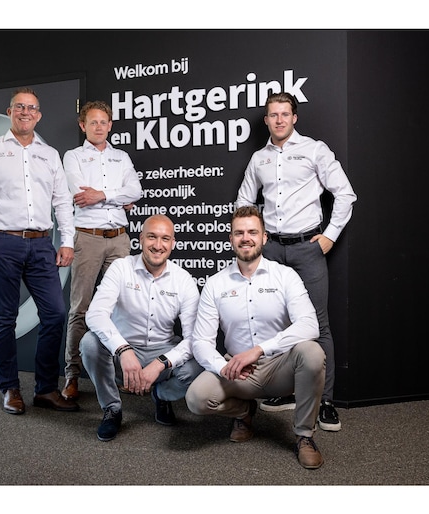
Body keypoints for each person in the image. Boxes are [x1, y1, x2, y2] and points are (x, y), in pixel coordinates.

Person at [235, 92, 356, 431]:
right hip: (272, 249)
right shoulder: (259, 158)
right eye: (273, 115)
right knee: (276, 322)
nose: (279, 120)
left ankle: (325, 401)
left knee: (317, 324)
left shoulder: (314, 150)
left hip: (307, 248)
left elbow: (345, 193)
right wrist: (254, 235)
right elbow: (244, 200)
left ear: (294, 117)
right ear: (266, 120)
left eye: (284, 114)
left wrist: (330, 235)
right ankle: (283, 391)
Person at [0, 86, 79, 415]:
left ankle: (45, 389)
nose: (26, 112)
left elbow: (62, 201)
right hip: (4, 243)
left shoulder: (50, 154)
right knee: (5, 320)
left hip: (42, 244)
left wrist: (67, 241)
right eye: (20, 107)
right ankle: (10, 388)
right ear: (10, 112)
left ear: (39, 115)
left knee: (55, 314)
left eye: (31, 108)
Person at [185, 206, 326, 469]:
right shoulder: (216, 284)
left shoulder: (285, 276)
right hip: (238, 371)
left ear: (264, 237)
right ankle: (245, 412)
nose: (245, 238)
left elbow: (310, 324)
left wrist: (259, 349)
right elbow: (201, 341)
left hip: (280, 367)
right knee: (196, 398)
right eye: (239, 233)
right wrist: (223, 367)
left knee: (312, 352)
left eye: (252, 232)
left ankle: (304, 436)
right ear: (231, 239)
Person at [81, 214, 202, 441]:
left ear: (173, 243)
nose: (158, 245)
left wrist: (161, 363)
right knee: (89, 343)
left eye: (165, 239)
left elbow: (194, 338)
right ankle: (112, 408)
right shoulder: (120, 268)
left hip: (162, 351)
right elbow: (96, 314)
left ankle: (161, 395)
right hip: (123, 354)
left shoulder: (183, 280)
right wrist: (123, 349)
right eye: (152, 237)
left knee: (200, 364)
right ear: (141, 239)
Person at [61, 100, 142, 401]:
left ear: (110, 125)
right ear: (83, 125)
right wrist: (119, 197)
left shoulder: (121, 157)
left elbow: (136, 191)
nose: (99, 127)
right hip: (88, 238)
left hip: (119, 238)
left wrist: (103, 194)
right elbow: (80, 194)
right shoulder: (73, 157)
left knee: (123, 307)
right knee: (81, 308)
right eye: (93, 122)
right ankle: (72, 375)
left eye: (103, 122)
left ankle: (123, 373)